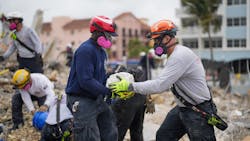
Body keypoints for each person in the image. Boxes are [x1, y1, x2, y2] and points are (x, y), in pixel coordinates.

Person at [109, 20, 217, 140]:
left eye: (157, 40)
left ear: (166, 38)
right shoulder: (173, 55)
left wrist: (131, 86)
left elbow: (161, 85)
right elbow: (162, 81)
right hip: (184, 107)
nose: (155, 44)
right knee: (164, 136)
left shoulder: (179, 56)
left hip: (198, 110)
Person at [65, 15, 118, 141]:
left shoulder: (101, 51)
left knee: (110, 131)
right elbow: (86, 81)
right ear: (98, 33)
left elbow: (100, 77)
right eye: (108, 34)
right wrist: (107, 91)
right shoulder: (86, 50)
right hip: (81, 99)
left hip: (96, 96)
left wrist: (112, 81)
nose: (110, 38)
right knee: (88, 136)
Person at [110, 65, 147, 141]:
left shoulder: (117, 72)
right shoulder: (138, 72)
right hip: (140, 97)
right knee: (137, 130)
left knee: (117, 132)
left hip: (126, 101)